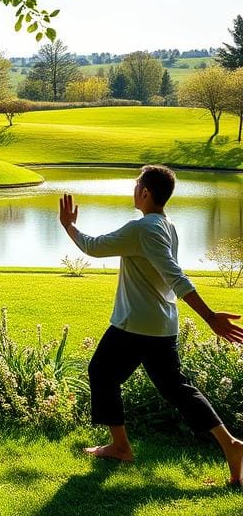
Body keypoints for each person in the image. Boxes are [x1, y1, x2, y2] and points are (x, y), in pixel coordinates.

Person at [59, 164, 243, 485]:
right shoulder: (167, 226)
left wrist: (68, 226)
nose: (133, 190)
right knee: (177, 389)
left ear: (145, 192)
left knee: (101, 372)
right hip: (161, 326)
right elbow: (172, 275)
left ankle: (120, 447)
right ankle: (230, 445)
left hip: (135, 325)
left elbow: (94, 247)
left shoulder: (142, 229)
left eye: (136, 185)